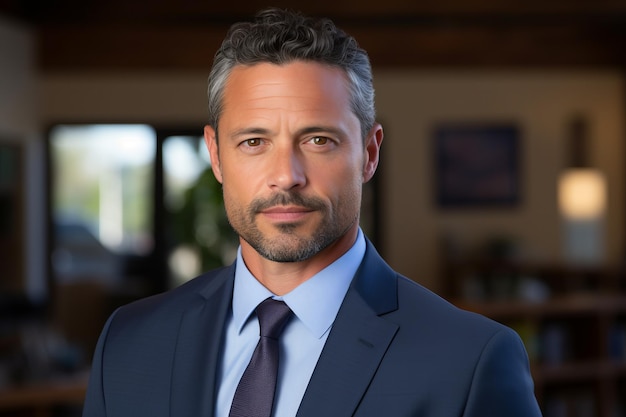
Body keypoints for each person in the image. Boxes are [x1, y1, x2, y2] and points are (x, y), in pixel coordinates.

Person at [82, 7, 542, 417]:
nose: (285, 175)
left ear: (369, 153)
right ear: (217, 156)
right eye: (254, 142)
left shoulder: (469, 361)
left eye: (318, 140)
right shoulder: (128, 342)